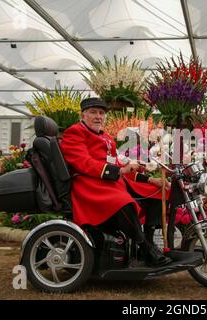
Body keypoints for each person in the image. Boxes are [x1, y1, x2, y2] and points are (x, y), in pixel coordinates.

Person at [60, 97, 172, 267]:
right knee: (122, 202)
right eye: (93, 112)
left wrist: (150, 179)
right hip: (89, 184)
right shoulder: (74, 132)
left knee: (159, 191)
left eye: (101, 113)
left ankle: (147, 243)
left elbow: (116, 164)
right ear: (83, 115)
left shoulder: (105, 137)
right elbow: (83, 163)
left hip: (111, 181)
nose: (98, 116)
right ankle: (145, 248)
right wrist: (118, 171)